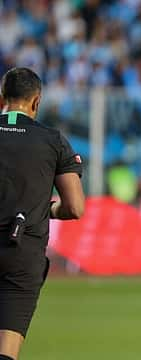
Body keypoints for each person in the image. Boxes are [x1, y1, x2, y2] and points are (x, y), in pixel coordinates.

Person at [0, 67, 85, 360]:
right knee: (7, 350)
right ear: (36, 101)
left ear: (2, 99)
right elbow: (75, 207)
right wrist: (47, 208)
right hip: (22, 251)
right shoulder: (52, 141)